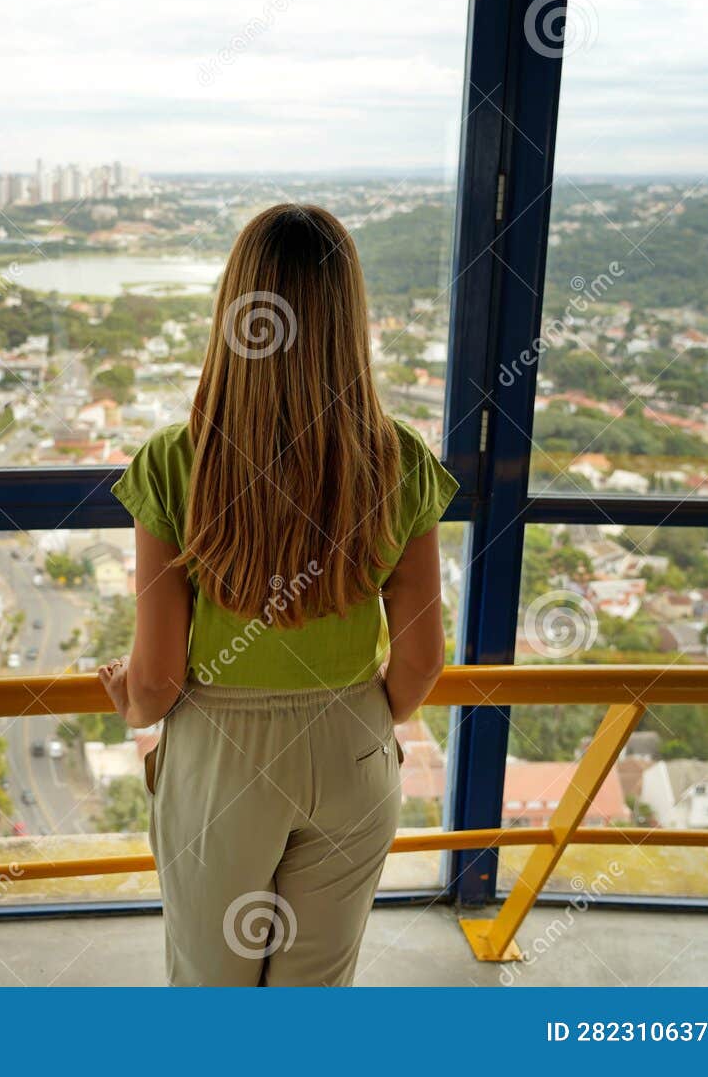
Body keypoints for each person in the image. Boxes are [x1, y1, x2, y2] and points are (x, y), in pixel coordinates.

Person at [98, 203, 457, 986]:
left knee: (212, 989)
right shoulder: (398, 459)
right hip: (354, 746)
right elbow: (423, 659)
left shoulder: (173, 462)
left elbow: (158, 681)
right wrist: (359, 720)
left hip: (220, 757)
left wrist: (129, 704)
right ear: (347, 318)